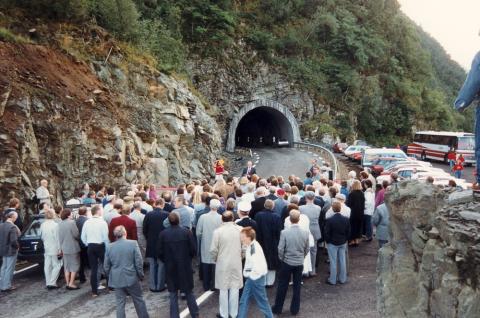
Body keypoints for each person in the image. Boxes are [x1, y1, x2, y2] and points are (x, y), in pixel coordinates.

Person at [158, 213, 199, 318]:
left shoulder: (163, 234)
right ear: (179, 220)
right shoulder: (186, 232)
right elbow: (193, 250)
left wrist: (167, 261)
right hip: (184, 267)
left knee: (173, 294)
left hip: (170, 267)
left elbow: (160, 253)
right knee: (189, 292)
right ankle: (195, 314)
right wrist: (188, 259)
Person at [104, 225, 149, 318]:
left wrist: (110, 277)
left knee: (120, 303)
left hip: (117, 278)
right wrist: (140, 275)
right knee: (138, 300)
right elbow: (139, 261)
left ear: (115, 235)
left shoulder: (109, 247)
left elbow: (106, 266)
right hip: (131, 277)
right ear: (125, 233)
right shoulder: (133, 243)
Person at [271, 210, 309, 316]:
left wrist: (282, 259)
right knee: (297, 287)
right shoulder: (305, 233)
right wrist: (302, 257)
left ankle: (278, 308)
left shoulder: (284, 232)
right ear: (299, 219)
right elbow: (307, 249)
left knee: (282, 285)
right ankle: (295, 309)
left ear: (290, 219)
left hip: (287, 262)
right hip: (299, 262)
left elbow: (280, 249)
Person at [210, 211, 243, 318]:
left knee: (223, 289)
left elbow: (213, 250)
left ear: (222, 219)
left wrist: (216, 259)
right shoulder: (240, 229)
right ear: (233, 218)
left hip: (222, 262)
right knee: (235, 288)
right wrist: (241, 256)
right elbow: (245, 247)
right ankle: (234, 314)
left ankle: (224, 314)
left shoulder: (217, 232)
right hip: (236, 262)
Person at [238, 227, 273, 318]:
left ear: (249, 237)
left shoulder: (253, 248)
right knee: (244, 300)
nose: (241, 238)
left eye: (242, 236)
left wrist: (249, 275)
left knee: (261, 301)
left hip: (255, 278)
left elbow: (257, 267)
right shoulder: (252, 246)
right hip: (253, 277)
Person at [81, 205, 109, 297]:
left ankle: (94, 291)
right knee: (106, 266)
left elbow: (82, 237)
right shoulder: (102, 222)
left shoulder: (87, 222)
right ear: (98, 211)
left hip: (90, 246)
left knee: (94, 269)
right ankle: (110, 287)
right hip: (100, 246)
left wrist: (87, 244)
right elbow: (105, 237)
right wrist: (108, 249)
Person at [196, 199, 223, 291]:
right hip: (217, 244)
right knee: (215, 264)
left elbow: (198, 232)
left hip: (205, 243)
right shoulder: (221, 218)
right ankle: (214, 285)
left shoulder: (203, 217)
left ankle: (206, 285)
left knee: (206, 263)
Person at [143, 199, 169, 292]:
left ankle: (153, 286)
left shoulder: (148, 214)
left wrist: (148, 238)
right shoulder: (166, 214)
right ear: (162, 204)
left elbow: (144, 230)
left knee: (152, 265)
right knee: (161, 265)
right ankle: (160, 285)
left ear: (155, 204)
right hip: (162, 243)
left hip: (151, 243)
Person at [255, 199, 281, 287]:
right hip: (273, 242)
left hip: (261, 241)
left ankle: (263, 280)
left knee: (262, 260)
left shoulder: (258, 215)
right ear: (272, 206)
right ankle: (270, 282)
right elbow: (279, 231)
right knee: (272, 261)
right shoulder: (276, 217)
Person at [324, 201, 350, 285]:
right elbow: (348, 231)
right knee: (342, 261)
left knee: (333, 261)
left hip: (332, 243)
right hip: (342, 241)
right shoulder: (346, 219)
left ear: (332, 209)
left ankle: (332, 279)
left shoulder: (329, 220)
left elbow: (326, 233)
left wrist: (328, 241)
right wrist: (345, 239)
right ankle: (343, 279)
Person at [298, 191, 321, 276]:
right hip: (314, 229)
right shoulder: (318, 207)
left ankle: (305, 271)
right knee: (313, 250)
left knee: (304, 250)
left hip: (305, 229)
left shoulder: (301, 208)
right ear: (314, 198)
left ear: (306, 198)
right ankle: (313, 270)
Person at [58, 209, 81, 290]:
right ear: (68, 215)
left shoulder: (59, 224)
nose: (71, 215)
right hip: (73, 247)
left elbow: (59, 238)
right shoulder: (71, 223)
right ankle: (71, 283)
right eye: (71, 214)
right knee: (75, 265)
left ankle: (67, 283)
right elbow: (76, 234)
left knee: (67, 267)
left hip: (64, 247)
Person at [40, 209, 62, 289]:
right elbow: (57, 239)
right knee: (57, 265)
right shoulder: (55, 225)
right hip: (54, 247)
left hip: (47, 247)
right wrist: (60, 249)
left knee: (47, 265)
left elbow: (42, 237)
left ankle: (48, 282)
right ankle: (52, 282)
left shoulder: (43, 225)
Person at [0, 211, 20, 292]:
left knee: (4, 267)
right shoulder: (12, 227)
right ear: (12, 217)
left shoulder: (1, 225)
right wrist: (17, 247)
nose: (16, 219)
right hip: (11, 250)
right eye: (16, 217)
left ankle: (2, 285)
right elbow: (13, 241)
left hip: (3, 249)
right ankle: (7, 286)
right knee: (9, 268)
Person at [346, 180, 365, 246]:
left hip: (353, 212)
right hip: (360, 212)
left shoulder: (351, 193)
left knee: (352, 226)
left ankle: (352, 241)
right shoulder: (362, 193)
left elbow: (349, 204)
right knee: (358, 227)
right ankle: (357, 240)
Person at [76, 207, 89, 284]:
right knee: (90, 261)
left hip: (78, 243)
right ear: (85, 212)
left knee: (81, 261)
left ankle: (82, 277)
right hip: (85, 242)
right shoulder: (87, 220)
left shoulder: (76, 221)